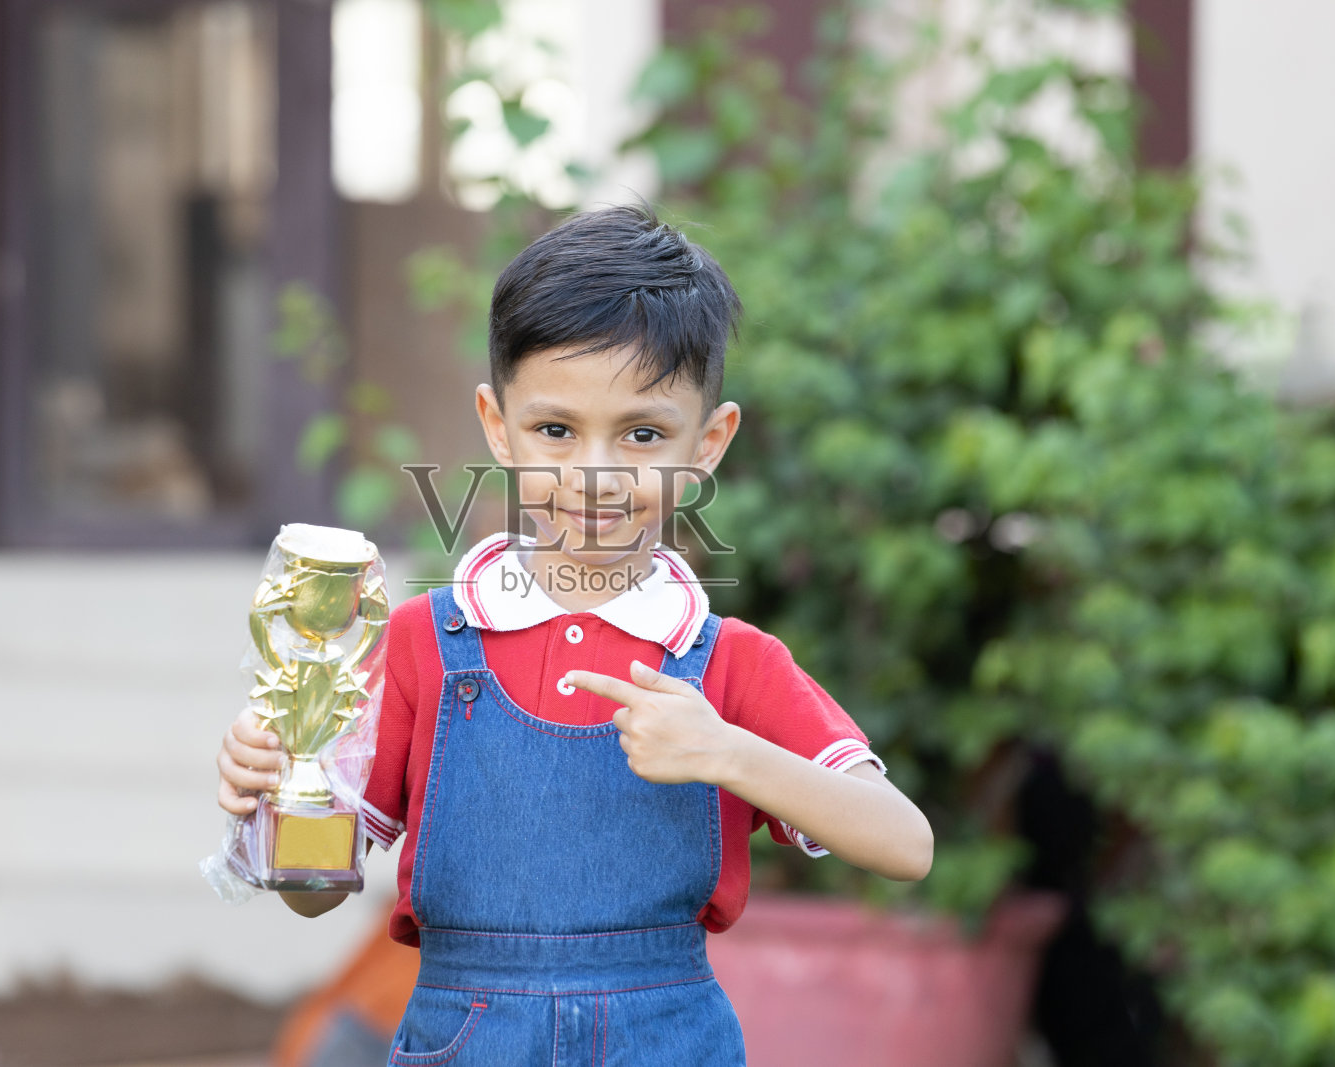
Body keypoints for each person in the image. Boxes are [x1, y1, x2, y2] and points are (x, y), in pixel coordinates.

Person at [216, 202, 933, 1065]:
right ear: (497, 426)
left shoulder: (729, 661)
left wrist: (727, 751)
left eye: (642, 434)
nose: (594, 474)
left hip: (667, 1038)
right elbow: (315, 898)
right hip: (464, 1039)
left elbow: (905, 844)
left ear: (708, 444)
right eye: (556, 430)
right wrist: (280, 792)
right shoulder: (422, 644)